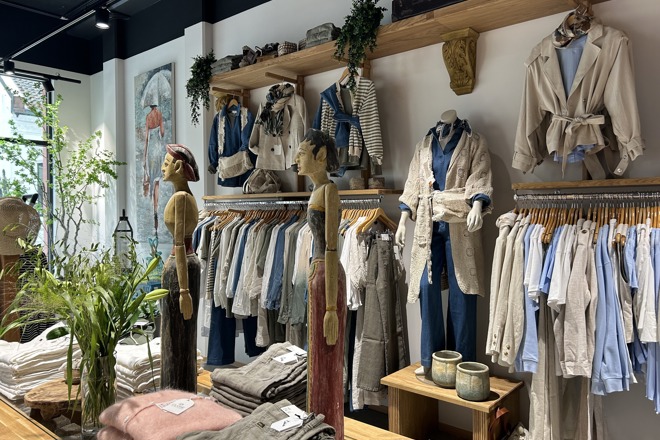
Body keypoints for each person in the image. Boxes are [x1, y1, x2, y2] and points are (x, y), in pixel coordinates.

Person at [396, 110, 493, 375]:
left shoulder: (473, 140)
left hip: (460, 222)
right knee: (426, 287)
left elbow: (480, 175)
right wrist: (403, 221)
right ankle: (430, 360)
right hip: (427, 222)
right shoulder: (424, 144)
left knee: (462, 289)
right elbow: (413, 183)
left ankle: (463, 362)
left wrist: (477, 205)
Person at [294, 128, 346, 439]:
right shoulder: (317, 192)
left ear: (321, 156)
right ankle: (316, 424)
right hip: (319, 274)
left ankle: (329, 425)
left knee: (326, 355)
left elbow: (331, 247)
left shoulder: (329, 192)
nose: (296, 159)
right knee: (315, 353)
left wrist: (330, 308)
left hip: (327, 276)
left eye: (302, 153)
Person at [159, 144, 200, 392]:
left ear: (177, 166)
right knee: (175, 334)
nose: (163, 167)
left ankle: (177, 390)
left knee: (176, 336)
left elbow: (180, 244)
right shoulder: (183, 196)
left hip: (181, 267)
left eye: (166, 163)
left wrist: (184, 291)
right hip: (181, 265)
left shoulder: (181, 198)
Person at [142, 104, 165, 248]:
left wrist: (144, 157)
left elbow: (146, 139)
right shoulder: (159, 115)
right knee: (157, 182)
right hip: (158, 150)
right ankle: (156, 210)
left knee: (150, 181)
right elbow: (162, 133)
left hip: (151, 151)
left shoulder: (148, 117)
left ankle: (153, 210)